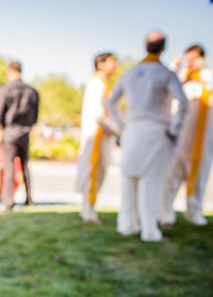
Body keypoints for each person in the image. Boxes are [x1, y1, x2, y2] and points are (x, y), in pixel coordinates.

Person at [106, 31, 188, 241]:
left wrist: (123, 126)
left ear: (145, 46)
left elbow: (111, 103)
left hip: (132, 130)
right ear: (163, 48)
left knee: (130, 178)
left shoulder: (130, 73)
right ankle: (149, 230)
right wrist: (174, 129)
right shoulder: (166, 74)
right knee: (151, 181)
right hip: (155, 130)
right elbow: (183, 102)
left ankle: (127, 224)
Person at [159, 44, 212, 226]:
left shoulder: (209, 79)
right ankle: (165, 214)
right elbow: (165, 93)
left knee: (198, 179)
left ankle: (194, 213)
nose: (189, 64)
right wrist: (175, 69)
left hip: (202, 140)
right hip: (179, 139)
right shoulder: (181, 80)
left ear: (201, 59)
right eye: (187, 59)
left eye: (192, 59)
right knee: (170, 177)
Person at [76, 53, 120, 223]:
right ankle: (88, 211)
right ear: (101, 64)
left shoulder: (104, 83)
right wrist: (118, 131)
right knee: (93, 171)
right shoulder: (96, 83)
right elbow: (98, 114)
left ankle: (89, 209)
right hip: (96, 136)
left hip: (101, 136)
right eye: (112, 61)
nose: (115, 64)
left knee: (98, 172)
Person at [0, 61, 39, 209]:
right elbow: (35, 116)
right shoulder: (32, 91)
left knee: (9, 167)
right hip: (25, 133)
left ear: (10, 72)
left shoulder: (6, 90)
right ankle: (29, 199)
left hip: (10, 133)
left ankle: (8, 202)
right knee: (25, 166)